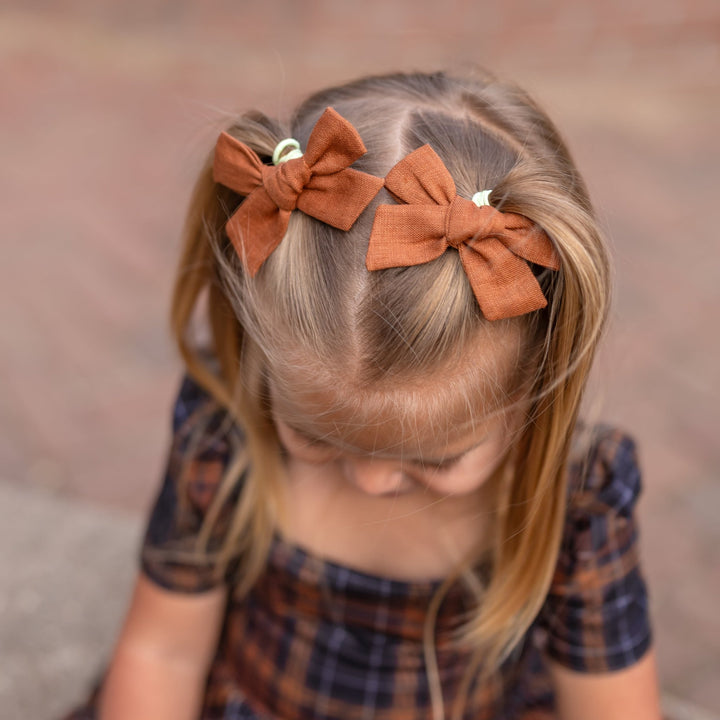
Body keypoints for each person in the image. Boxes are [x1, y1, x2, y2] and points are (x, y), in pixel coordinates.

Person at [64, 70, 661, 720]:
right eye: (316, 437)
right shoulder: (223, 434)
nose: (374, 482)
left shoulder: (576, 501)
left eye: (436, 460)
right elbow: (163, 655)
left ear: (537, 389)